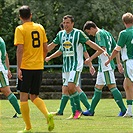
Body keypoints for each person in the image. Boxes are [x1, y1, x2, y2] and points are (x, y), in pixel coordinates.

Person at [47, 15, 106, 119]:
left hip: (76, 65)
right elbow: (53, 46)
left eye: (68, 23)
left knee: (71, 87)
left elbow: (89, 44)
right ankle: (75, 112)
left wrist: (100, 50)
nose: (65, 25)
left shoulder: (78, 33)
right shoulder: (61, 34)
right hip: (66, 67)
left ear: (72, 23)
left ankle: (78, 111)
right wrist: (42, 54)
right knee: (68, 89)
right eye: (64, 23)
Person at [14, 5, 54, 133]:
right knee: (34, 96)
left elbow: (20, 49)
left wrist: (19, 68)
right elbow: (46, 48)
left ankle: (28, 127)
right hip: (38, 66)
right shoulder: (40, 27)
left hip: (26, 67)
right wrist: (41, 60)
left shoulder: (20, 29)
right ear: (31, 15)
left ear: (20, 17)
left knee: (23, 97)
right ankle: (47, 114)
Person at [82, 21, 127, 117]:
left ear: (92, 28)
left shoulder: (98, 34)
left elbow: (101, 48)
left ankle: (123, 109)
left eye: (89, 32)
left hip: (106, 64)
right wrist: (118, 63)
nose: (90, 35)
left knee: (112, 87)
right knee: (98, 88)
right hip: (104, 66)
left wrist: (90, 58)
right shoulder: (107, 33)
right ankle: (91, 110)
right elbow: (116, 48)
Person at [45, 43, 96, 119]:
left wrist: (90, 66)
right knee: (65, 88)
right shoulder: (64, 38)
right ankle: (61, 111)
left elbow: (85, 53)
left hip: (75, 68)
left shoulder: (78, 37)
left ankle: (84, 109)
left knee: (74, 88)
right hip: (66, 68)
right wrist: (50, 57)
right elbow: (60, 51)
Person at [105, 12, 133, 117]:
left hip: (129, 62)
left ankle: (130, 111)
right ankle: (129, 110)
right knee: (126, 85)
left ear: (124, 22)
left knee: (129, 86)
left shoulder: (124, 33)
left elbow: (117, 49)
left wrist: (109, 60)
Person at [0, 37, 21, 118]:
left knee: (7, 91)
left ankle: (20, 113)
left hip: (0, 70)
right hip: (2, 69)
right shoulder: (1, 40)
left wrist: (7, 70)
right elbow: (6, 55)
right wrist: (8, 69)